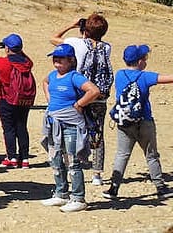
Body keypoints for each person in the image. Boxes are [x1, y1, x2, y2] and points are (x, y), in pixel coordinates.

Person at [103, 44, 173, 201]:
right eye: (145, 58)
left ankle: (113, 188)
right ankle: (160, 187)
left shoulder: (120, 75)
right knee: (151, 155)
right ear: (140, 61)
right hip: (144, 121)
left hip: (124, 122)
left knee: (122, 154)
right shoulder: (145, 76)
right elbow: (168, 79)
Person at [40, 43, 100, 213]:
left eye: (61, 59)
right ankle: (61, 193)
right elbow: (45, 82)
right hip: (54, 124)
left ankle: (78, 198)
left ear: (71, 60)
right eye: (55, 58)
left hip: (71, 124)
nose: (56, 61)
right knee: (55, 159)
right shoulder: (52, 75)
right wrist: (49, 99)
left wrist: (79, 104)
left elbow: (93, 91)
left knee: (72, 161)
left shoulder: (75, 77)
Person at [0, 33, 34, 169]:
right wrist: (18, 50)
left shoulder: (3, 62)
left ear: (7, 48)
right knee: (22, 127)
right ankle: (25, 159)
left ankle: (12, 157)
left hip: (6, 99)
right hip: (24, 100)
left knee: (8, 128)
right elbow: (26, 58)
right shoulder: (26, 62)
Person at [77, 14, 113, 187]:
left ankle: (76, 165)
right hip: (100, 97)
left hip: (82, 94)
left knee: (76, 130)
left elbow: (54, 39)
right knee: (98, 134)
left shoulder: (79, 44)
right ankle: (97, 174)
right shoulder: (107, 47)